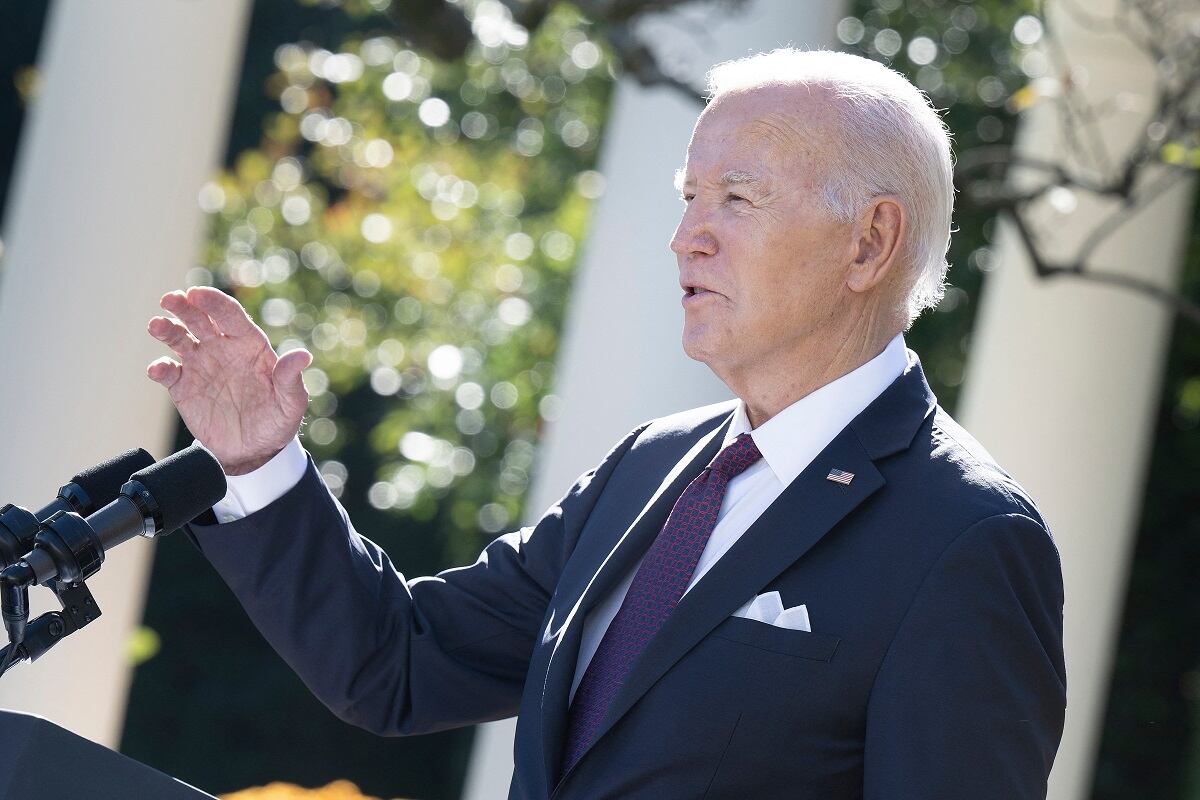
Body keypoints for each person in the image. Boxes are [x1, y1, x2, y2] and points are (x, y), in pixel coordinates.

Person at [147, 49, 1066, 799]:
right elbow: (400, 666)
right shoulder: (653, 466)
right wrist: (260, 462)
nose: (687, 236)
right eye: (688, 197)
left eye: (737, 199)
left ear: (870, 241)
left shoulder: (967, 540)